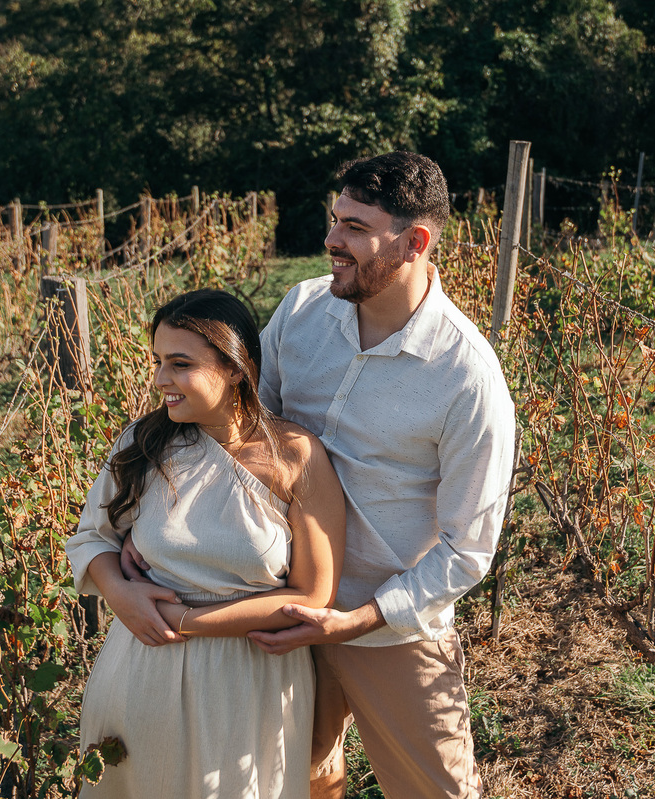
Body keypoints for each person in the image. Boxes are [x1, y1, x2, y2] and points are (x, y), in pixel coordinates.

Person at [129, 151, 515, 798]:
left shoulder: (465, 377)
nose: (332, 238)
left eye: (356, 227)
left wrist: (356, 620)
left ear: (415, 242)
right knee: (293, 778)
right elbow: (243, 437)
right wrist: (151, 530)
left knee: (436, 791)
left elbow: (466, 550)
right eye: (336, 219)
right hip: (279, 607)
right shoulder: (303, 310)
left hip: (391, 631)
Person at [66, 288, 345, 798]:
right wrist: (119, 593)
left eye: (180, 364)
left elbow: (313, 595)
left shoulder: (296, 457)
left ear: (235, 368)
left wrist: (187, 621)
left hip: (252, 685)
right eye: (157, 361)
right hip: (141, 674)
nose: (160, 379)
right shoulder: (142, 445)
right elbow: (92, 537)